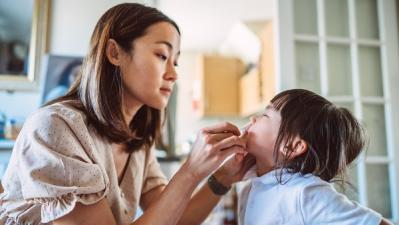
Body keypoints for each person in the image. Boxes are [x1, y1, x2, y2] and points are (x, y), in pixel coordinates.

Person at [0, 3, 254, 225]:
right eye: (162, 55)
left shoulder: (138, 143)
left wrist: (222, 178)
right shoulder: (54, 128)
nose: (174, 74)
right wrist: (190, 171)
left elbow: (175, 218)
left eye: (175, 61)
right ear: (114, 53)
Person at [237, 89, 392, 225]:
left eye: (265, 115)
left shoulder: (305, 193)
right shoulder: (250, 184)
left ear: (293, 146)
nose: (253, 119)